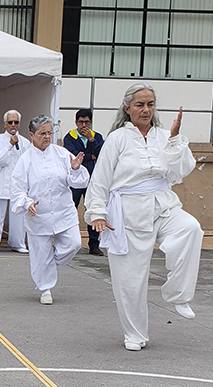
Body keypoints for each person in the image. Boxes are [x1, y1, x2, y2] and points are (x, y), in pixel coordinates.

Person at [84, 83, 201, 352]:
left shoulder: (163, 135)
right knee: (130, 279)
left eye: (150, 104)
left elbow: (179, 171)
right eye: (140, 104)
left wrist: (174, 140)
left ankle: (178, 294)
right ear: (127, 108)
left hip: (163, 205)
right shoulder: (117, 139)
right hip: (128, 214)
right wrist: (98, 213)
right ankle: (135, 334)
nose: (146, 109)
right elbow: (100, 179)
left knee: (190, 229)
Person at [11, 115, 88, 305]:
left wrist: (76, 170)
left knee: (74, 243)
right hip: (38, 215)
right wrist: (27, 203)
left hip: (63, 212)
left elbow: (79, 181)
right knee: (40, 254)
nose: (47, 137)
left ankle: (51, 262)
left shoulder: (62, 154)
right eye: (42, 133)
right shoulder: (25, 160)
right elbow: (17, 190)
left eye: (50, 132)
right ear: (31, 135)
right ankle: (45, 288)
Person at [0, 110, 31, 254]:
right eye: (10, 122)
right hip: (0, 182)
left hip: (18, 183)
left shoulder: (25, 142)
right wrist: (9, 145)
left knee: (19, 215)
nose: (13, 125)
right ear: (5, 124)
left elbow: (27, 164)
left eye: (16, 122)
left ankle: (18, 243)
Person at [63, 108, 104, 256]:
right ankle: (68, 242)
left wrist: (92, 141)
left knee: (93, 211)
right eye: (81, 122)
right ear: (76, 123)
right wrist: (90, 156)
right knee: (70, 209)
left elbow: (101, 155)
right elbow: (72, 156)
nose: (84, 125)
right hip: (74, 181)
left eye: (87, 122)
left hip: (93, 180)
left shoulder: (97, 137)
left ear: (91, 122)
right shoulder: (69, 137)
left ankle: (94, 244)